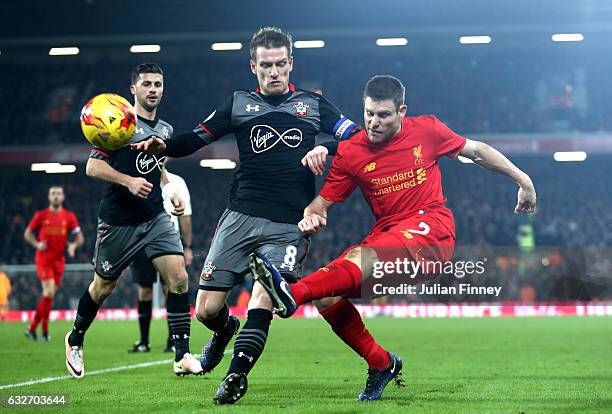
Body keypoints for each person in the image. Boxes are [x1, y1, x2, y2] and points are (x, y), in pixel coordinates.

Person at [253, 75, 538, 400]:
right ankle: (381, 363)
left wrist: (523, 181)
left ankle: (292, 294)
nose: (373, 122)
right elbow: (321, 204)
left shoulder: (427, 130)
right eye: (369, 113)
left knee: (356, 262)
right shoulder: (351, 152)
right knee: (328, 295)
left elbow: (476, 151)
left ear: (402, 111)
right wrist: (311, 216)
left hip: (432, 231)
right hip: (388, 240)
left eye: (383, 115)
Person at [132, 27, 375, 405]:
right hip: (239, 218)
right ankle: (225, 329)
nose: (274, 72)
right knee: (206, 310)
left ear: (291, 63)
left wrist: (326, 146)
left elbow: (357, 135)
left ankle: (235, 377)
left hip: (287, 226)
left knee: (264, 297)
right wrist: (165, 143)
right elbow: (195, 138)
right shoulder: (238, 103)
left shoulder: (313, 104)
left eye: (280, 64)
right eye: (266, 65)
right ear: (253, 66)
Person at [64, 62, 203, 378]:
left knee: (179, 278)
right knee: (103, 287)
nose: (154, 89)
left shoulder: (165, 129)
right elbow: (92, 167)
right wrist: (127, 181)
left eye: (158, 84)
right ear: (133, 89)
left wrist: (170, 189)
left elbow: (158, 166)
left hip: (155, 216)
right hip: (118, 222)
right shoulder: (116, 125)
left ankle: (181, 355)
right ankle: (75, 338)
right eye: (147, 84)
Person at [128, 167, 193, 354]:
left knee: (170, 289)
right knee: (144, 290)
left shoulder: (177, 182)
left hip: (168, 241)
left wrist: (187, 246)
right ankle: (144, 341)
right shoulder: (139, 179)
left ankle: (172, 341)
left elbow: (185, 216)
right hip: (140, 241)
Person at [24, 186, 83, 340]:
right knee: (49, 292)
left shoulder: (69, 216)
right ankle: (44, 332)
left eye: (58, 194)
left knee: (48, 295)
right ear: (49, 197)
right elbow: (28, 233)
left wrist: (73, 245)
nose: (56, 196)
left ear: (63, 197)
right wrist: (37, 244)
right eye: (53, 194)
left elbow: (79, 237)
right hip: (44, 259)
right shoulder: (41, 215)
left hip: (59, 260)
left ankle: (32, 329)